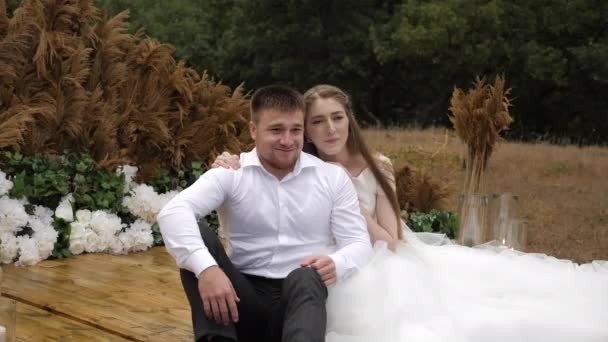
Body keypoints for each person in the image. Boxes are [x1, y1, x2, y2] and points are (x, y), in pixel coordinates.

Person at [213, 84, 608, 342]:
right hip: (315, 262)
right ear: (305, 130)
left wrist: (349, 204)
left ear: (349, 120)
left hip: (372, 262)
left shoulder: (376, 166)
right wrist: (228, 162)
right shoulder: (297, 165)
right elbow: (255, 174)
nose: (330, 129)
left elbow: (393, 240)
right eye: (317, 122)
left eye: (337, 117)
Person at [157, 85, 373, 342]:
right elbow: (173, 212)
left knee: (307, 277)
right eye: (276, 130)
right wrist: (207, 270)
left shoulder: (332, 177)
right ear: (253, 130)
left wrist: (336, 263)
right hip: (238, 299)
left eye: (296, 130)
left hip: (299, 301)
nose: (288, 140)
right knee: (196, 244)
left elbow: (359, 243)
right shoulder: (232, 173)